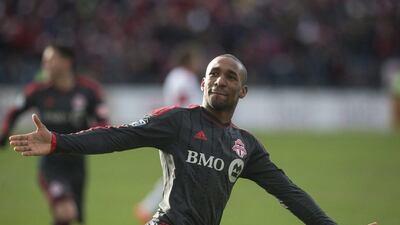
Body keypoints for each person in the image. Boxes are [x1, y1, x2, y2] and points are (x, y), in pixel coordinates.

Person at [9, 54, 377, 225]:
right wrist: (59, 141)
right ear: (202, 84)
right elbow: (118, 137)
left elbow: (289, 193)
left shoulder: (245, 147)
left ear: (243, 90)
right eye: (214, 74)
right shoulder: (177, 122)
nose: (220, 80)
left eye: (230, 76)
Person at [1, 43, 109, 225]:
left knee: (71, 217)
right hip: (51, 164)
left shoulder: (89, 90)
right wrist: (4, 135)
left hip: (77, 163)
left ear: (67, 62)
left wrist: (100, 138)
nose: (45, 65)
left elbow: (103, 121)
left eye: (50, 60)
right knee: (66, 211)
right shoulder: (38, 90)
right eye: (44, 61)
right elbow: (13, 111)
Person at [134, 45, 204, 224]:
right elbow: (185, 101)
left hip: (175, 127)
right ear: (188, 60)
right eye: (196, 60)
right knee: (184, 172)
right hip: (187, 129)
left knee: (179, 172)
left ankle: (149, 207)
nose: (199, 63)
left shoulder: (174, 75)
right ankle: (154, 209)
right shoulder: (185, 77)